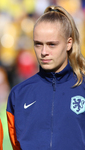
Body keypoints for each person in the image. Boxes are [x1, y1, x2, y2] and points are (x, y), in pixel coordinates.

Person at [7, 5, 85, 150]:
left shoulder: (82, 87)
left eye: (51, 45)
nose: (43, 52)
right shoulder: (19, 94)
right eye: (38, 44)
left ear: (69, 43)